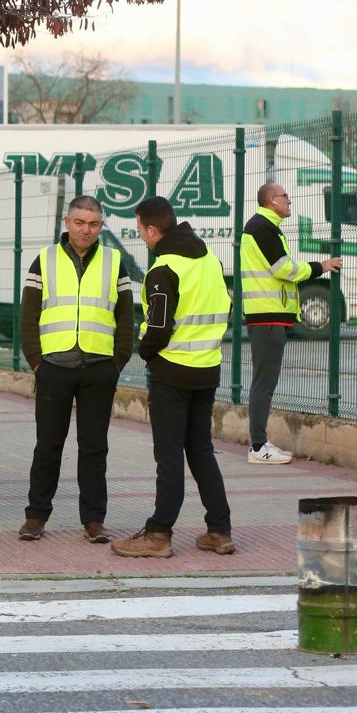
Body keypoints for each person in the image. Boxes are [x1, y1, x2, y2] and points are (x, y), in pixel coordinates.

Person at [111, 197, 235, 559]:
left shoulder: (163, 269)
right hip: (207, 370)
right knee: (201, 451)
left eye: (140, 231)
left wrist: (145, 349)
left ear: (152, 229)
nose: (142, 238)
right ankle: (219, 530)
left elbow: (160, 325)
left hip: (171, 374)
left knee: (169, 457)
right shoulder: (210, 261)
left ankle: (159, 533)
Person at [17, 196, 135, 544]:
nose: (87, 230)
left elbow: (126, 317)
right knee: (48, 446)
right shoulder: (46, 260)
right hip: (54, 367)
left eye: (94, 224)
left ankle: (94, 520)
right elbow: (29, 315)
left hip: (100, 368)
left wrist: (118, 361)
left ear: (101, 226)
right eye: (80, 222)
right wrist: (37, 361)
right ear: (67, 222)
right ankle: (36, 516)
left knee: (94, 447)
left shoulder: (115, 262)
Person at [241, 181, 342, 464]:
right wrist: (320, 267)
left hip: (270, 315)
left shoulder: (266, 227)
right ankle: (259, 447)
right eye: (285, 196)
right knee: (264, 383)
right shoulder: (262, 227)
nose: (290, 200)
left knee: (264, 382)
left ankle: (259, 444)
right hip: (267, 316)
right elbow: (283, 269)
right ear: (272, 201)